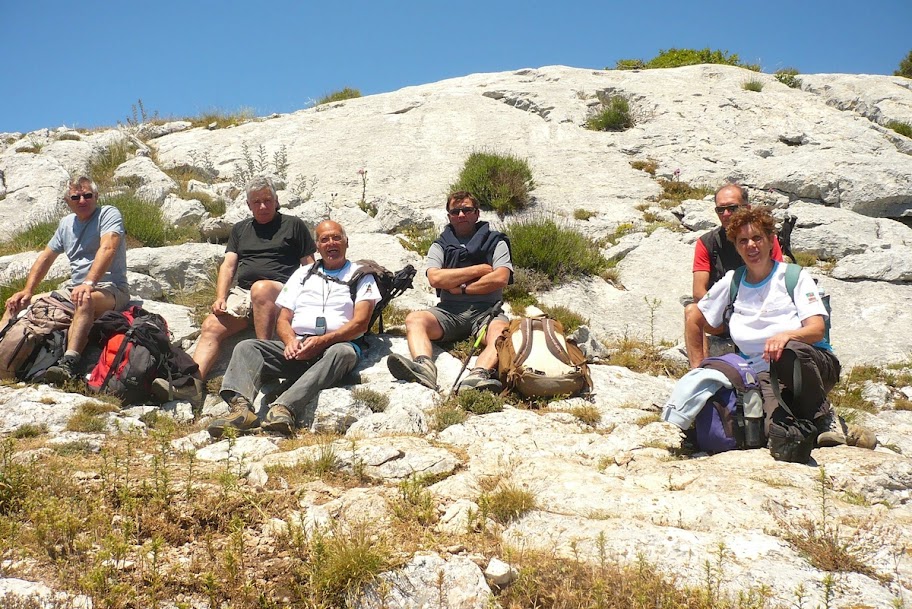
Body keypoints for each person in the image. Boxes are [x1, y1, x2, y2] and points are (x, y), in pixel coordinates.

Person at [207, 220, 380, 438]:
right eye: (324, 239)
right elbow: (283, 318)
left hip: (335, 348)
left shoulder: (362, 275)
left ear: (346, 242)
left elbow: (360, 322)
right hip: (299, 347)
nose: (331, 243)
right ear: (317, 246)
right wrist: (289, 342)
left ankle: (284, 407)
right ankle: (241, 410)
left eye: (336, 237)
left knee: (343, 352)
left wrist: (323, 341)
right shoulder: (303, 274)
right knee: (248, 347)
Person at [696, 206, 846, 446]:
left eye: (757, 238)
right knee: (775, 433)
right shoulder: (732, 282)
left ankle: (825, 417)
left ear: (770, 241)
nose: (751, 246)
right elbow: (696, 316)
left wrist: (786, 335)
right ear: (736, 246)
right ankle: (813, 430)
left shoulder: (793, 276)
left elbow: (817, 328)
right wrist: (697, 367)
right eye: (743, 241)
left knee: (790, 352)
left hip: (810, 364)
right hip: (762, 374)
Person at [186, 176, 316, 381]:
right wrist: (220, 297)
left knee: (261, 288)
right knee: (211, 326)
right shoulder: (240, 229)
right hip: (244, 294)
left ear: (276, 201)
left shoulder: (293, 225)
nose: (263, 206)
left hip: (281, 292)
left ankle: (263, 358)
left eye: (267, 200)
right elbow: (229, 265)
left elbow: (309, 266)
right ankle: (192, 383)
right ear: (248, 205)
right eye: (257, 202)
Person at [1, 176, 130, 383]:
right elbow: (46, 257)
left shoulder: (108, 214)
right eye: (76, 197)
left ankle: (69, 363)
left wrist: (89, 283)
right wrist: (27, 290)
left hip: (111, 289)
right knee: (16, 303)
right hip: (74, 288)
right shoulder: (66, 224)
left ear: (96, 197)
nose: (82, 201)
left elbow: (108, 247)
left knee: (84, 299)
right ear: (67, 201)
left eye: (87, 195)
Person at [386, 191, 512, 392]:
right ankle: (424, 368)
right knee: (414, 319)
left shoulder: (497, 242)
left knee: (501, 334)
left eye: (467, 210)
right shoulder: (440, 245)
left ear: (477, 213)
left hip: (488, 311)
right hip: (448, 312)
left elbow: (500, 278)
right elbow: (435, 278)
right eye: (455, 211)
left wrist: (460, 288)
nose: (461, 215)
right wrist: (479, 270)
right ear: (449, 217)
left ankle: (478, 375)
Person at [684, 184, 783, 368]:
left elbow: (780, 278)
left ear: (746, 208)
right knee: (692, 311)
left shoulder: (766, 240)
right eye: (721, 209)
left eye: (732, 208)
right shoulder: (708, 243)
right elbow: (699, 292)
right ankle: (699, 373)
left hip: (761, 312)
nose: (726, 214)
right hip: (725, 316)